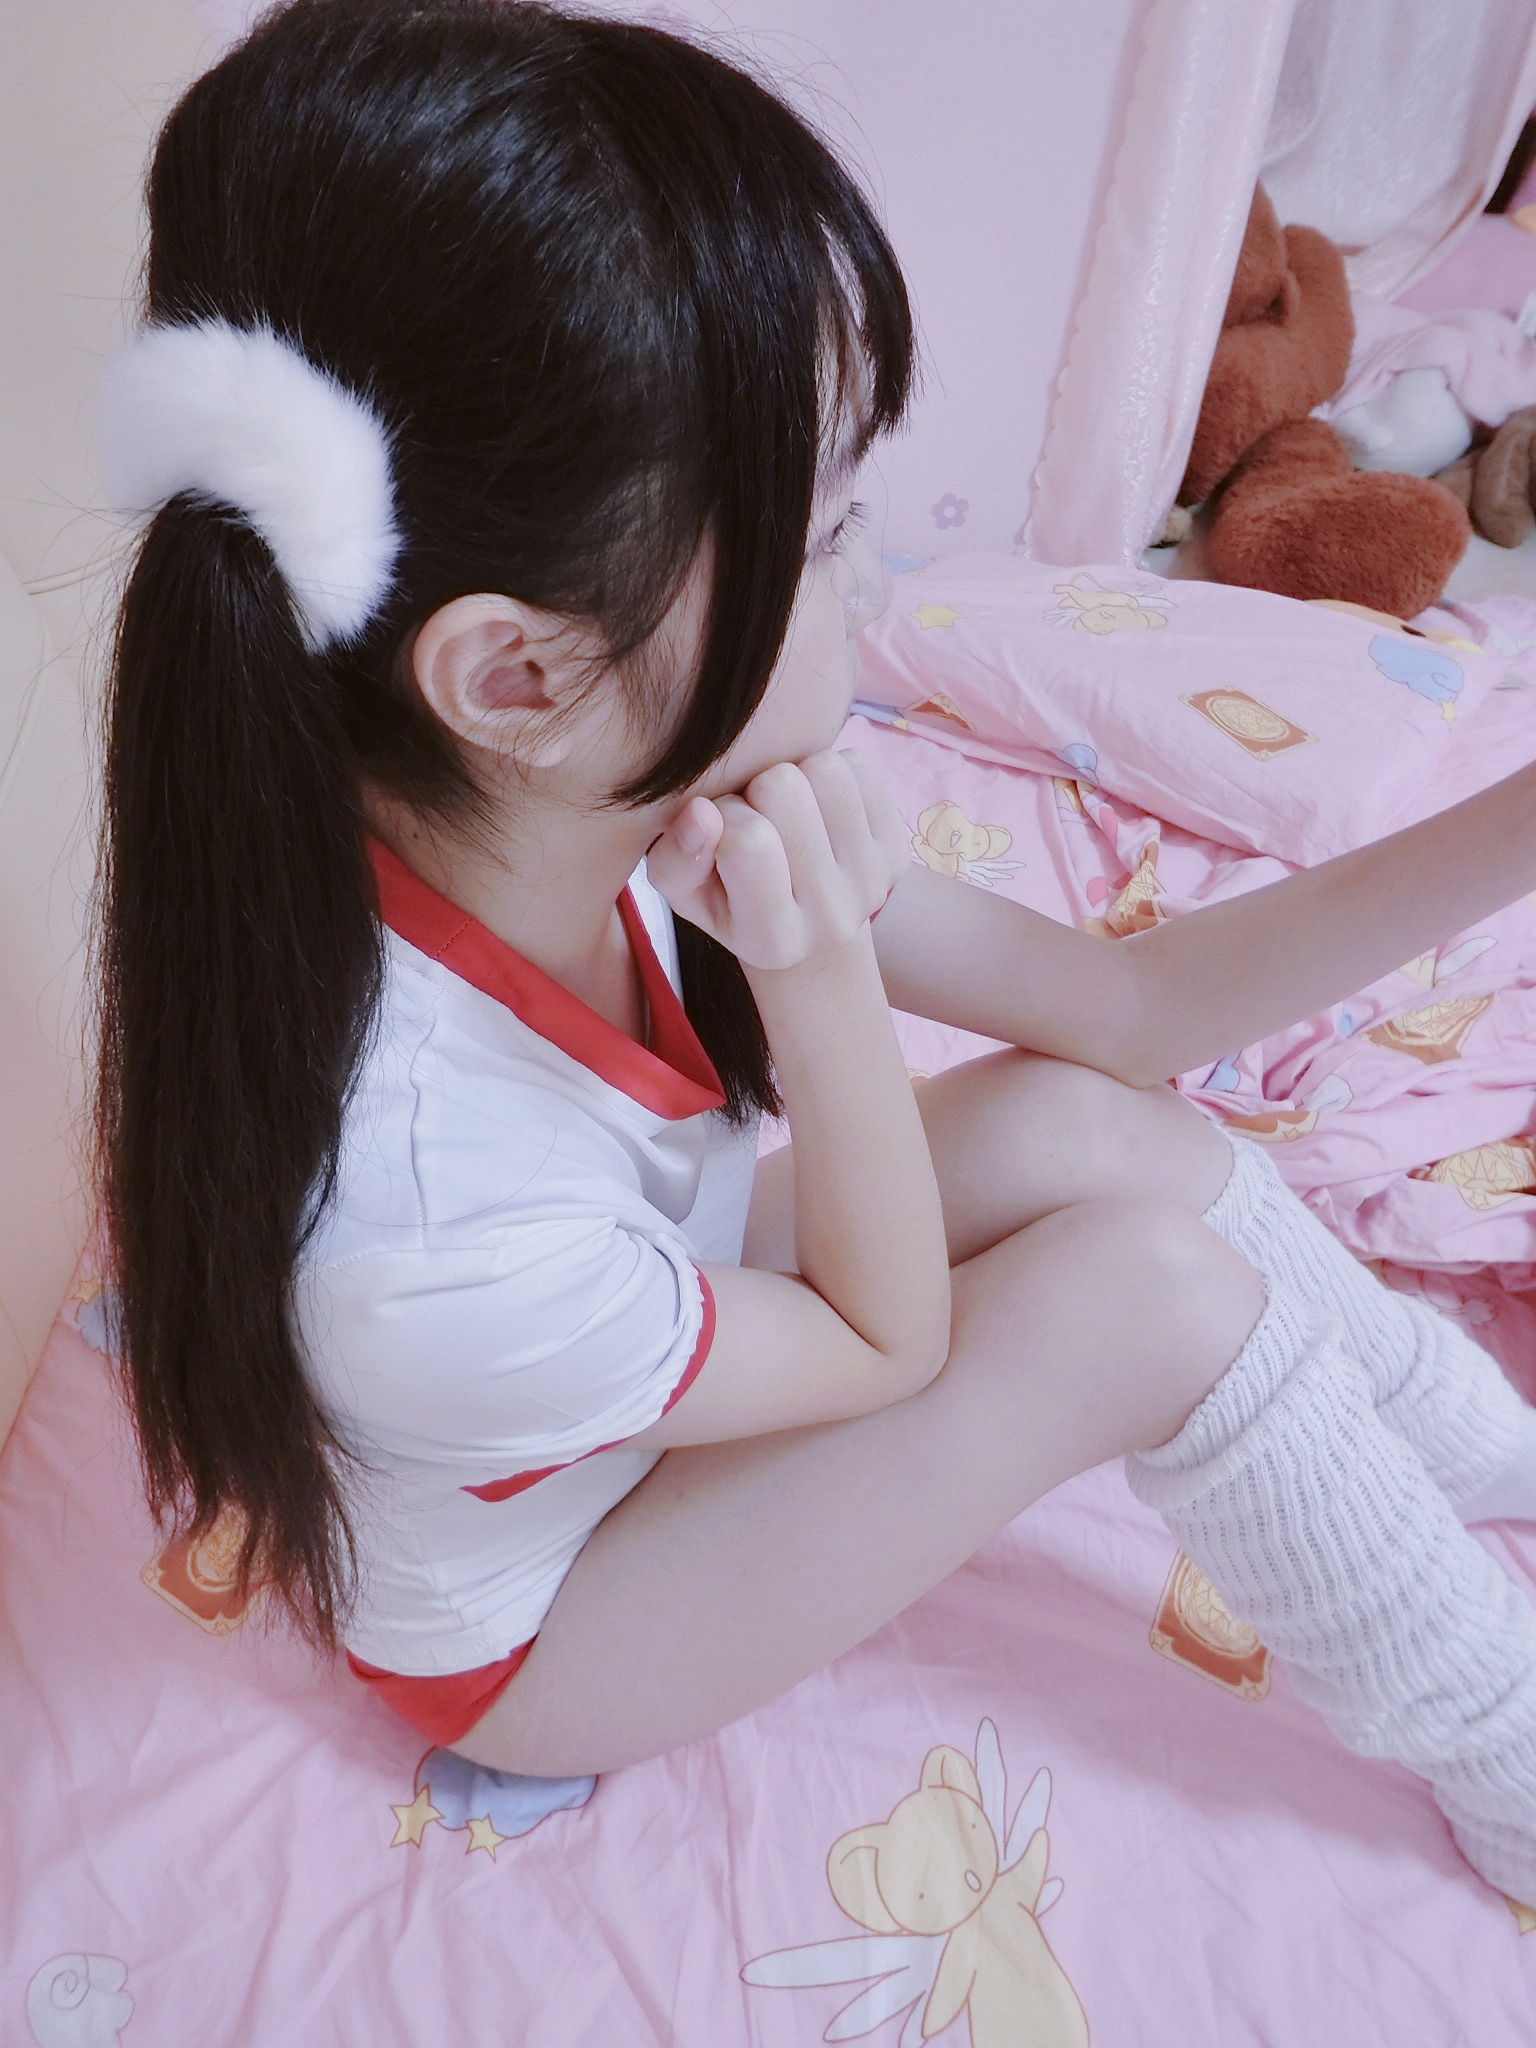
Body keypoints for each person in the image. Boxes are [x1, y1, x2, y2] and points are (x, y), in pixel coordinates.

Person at [96, 0, 1536, 1902]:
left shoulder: (583, 786)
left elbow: (1122, 1013)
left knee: (1083, 1129)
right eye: (825, 535)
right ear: (517, 672)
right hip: (547, 1626)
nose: (862, 590)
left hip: (652, 1331)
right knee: (1142, 1301)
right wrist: (822, 972)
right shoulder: (424, 1226)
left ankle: (1496, 1465)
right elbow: (882, 1341)